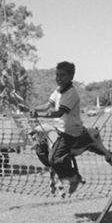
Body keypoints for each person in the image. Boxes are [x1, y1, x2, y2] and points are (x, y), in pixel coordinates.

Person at [29, 61, 87, 194]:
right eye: (57, 75)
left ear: (71, 76)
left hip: (70, 131)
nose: (59, 78)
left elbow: (58, 113)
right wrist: (33, 109)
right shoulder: (58, 90)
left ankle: (73, 177)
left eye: (63, 75)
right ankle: (60, 170)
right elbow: (46, 106)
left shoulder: (71, 93)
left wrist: (38, 114)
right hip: (59, 129)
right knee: (40, 148)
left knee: (54, 158)